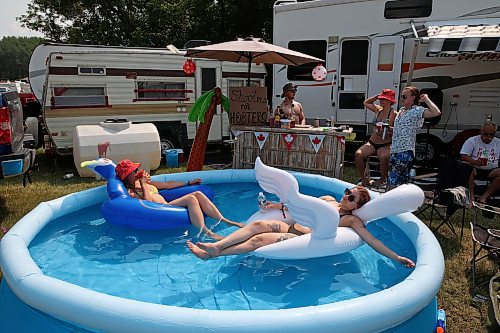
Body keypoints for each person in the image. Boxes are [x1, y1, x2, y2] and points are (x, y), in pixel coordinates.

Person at [187, 186, 415, 267]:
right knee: (257, 224)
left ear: (357, 207)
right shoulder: (328, 200)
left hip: (300, 240)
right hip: (291, 227)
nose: (346, 197)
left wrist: (396, 258)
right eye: (348, 192)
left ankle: (213, 255)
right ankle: (217, 246)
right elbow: (300, 204)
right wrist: (276, 204)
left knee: (255, 242)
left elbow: (372, 240)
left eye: (352, 198)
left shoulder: (351, 220)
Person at [115, 159, 243, 240]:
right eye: (134, 171)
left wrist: (188, 183)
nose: (137, 172)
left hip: (168, 204)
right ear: (127, 177)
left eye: (137, 169)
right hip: (161, 210)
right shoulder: (131, 192)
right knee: (191, 199)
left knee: (197, 193)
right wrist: (143, 184)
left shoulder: (147, 183)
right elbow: (147, 203)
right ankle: (207, 232)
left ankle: (226, 220)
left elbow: (167, 185)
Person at [387, 86, 441, 189]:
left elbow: (436, 112)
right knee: (400, 181)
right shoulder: (401, 111)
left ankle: (390, 201)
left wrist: (426, 99)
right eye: (401, 96)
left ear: (412, 98)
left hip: (405, 151)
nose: (402, 99)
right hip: (395, 150)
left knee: (393, 181)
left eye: (404, 96)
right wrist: (392, 130)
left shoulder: (417, 110)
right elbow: (403, 128)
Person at [355, 89, 397, 187]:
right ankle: (364, 179)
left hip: (385, 144)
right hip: (373, 142)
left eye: (384, 99)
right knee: (358, 154)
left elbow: (398, 130)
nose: (381, 101)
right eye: (381, 99)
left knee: (383, 156)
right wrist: (376, 97)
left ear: (390, 101)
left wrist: (390, 129)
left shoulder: (395, 114)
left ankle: (382, 180)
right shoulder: (378, 109)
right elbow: (366, 102)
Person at [460, 122, 500, 203]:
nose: (488, 137)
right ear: (481, 132)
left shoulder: (498, 142)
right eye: (485, 134)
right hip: (475, 168)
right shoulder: (472, 141)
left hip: (492, 169)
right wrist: (474, 162)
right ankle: (471, 196)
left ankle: (484, 196)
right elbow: (463, 156)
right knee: (467, 168)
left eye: (491, 134)